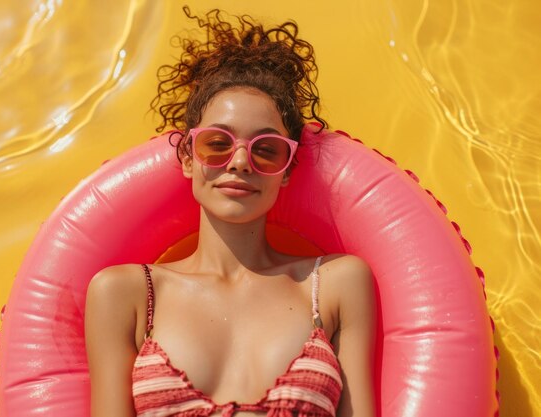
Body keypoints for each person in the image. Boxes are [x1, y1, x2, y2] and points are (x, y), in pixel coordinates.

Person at [85, 7, 376, 417]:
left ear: (287, 170)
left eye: (266, 149)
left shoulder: (334, 285)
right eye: (217, 144)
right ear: (188, 156)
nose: (240, 162)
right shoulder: (126, 294)